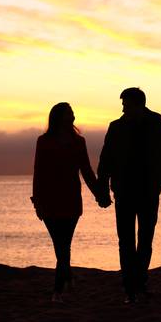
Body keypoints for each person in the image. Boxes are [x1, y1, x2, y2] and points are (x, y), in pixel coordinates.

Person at [97, 87, 161, 304]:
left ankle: (139, 282)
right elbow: (105, 161)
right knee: (125, 241)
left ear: (138, 104)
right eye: (123, 105)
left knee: (145, 240)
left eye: (126, 104)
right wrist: (102, 189)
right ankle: (129, 287)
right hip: (123, 191)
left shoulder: (159, 125)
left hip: (149, 191)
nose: (123, 109)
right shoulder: (116, 127)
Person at [31, 102, 106, 303]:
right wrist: (37, 201)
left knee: (64, 244)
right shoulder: (44, 141)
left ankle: (58, 290)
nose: (73, 115)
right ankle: (66, 279)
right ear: (59, 117)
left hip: (71, 199)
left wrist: (100, 193)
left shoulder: (78, 142)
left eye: (73, 112)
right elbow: (38, 172)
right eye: (69, 112)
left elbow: (87, 171)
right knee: (61, 245)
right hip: (49, 200)